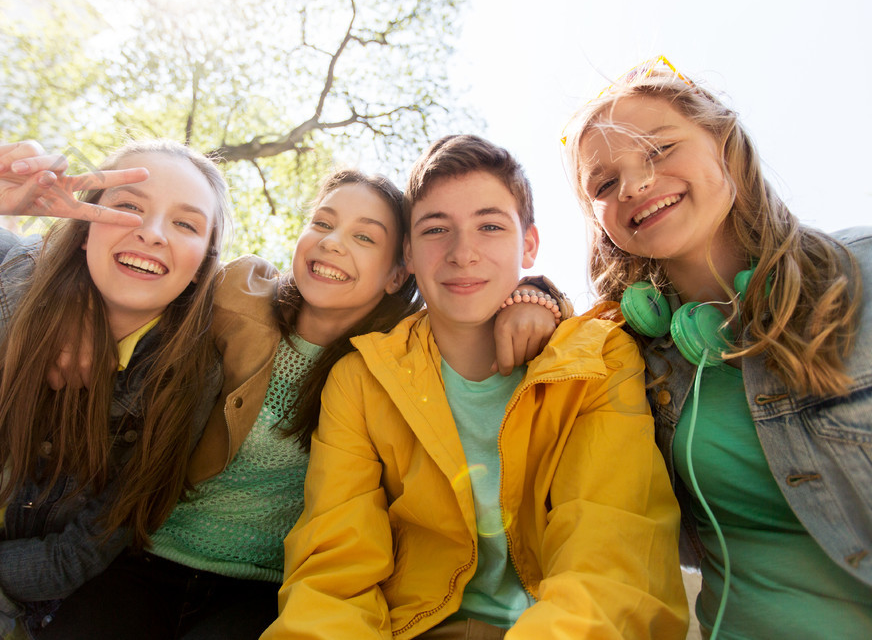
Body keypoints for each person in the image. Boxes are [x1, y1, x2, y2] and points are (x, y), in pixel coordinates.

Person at [35, 166, 565, 639]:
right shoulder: (236, 296)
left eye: (364, 237)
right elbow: (147, 278)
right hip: (147, 557)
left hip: (266, 590)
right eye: (324, 223)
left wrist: (536, 293)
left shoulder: (392, 364)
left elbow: (478, 300)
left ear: (398, 273)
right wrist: (80, 308)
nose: (334, 243)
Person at [265, 135, 688, 640]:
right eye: (436, 229)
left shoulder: (596, 358)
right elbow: (334, 571)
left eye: (489, 226)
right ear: (409, 254)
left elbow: (611, 550)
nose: (463, 254)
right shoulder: (361, 379)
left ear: (528, 244)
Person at [0, 125, 231, 639]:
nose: (153, 231)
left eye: (186, 223)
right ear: (83, 223)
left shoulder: (184, 378)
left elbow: (69, 558)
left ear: (205, 258)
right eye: (130, 207)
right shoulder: (14, 271)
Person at [560, 56, 872, 638]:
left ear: (725, 145)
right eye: (604, 183)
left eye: (658, 150)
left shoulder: (863, 272)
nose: (634, 185)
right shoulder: (631, 355)